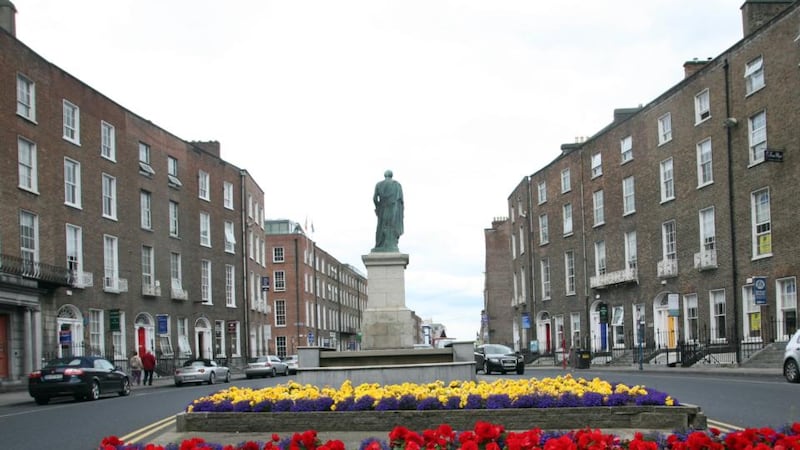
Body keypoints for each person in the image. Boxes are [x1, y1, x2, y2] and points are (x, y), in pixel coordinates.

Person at [372, 170, 404, 252]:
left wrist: (377, 207)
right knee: (391, 226)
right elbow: (400, 200)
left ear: (385, 175)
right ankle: (391, 244)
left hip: (382, 208)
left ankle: (380, 245)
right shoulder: (397, 185)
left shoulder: (378, 184)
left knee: (381, 226)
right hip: (393, 208)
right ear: (391, 175)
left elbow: (375, 199)